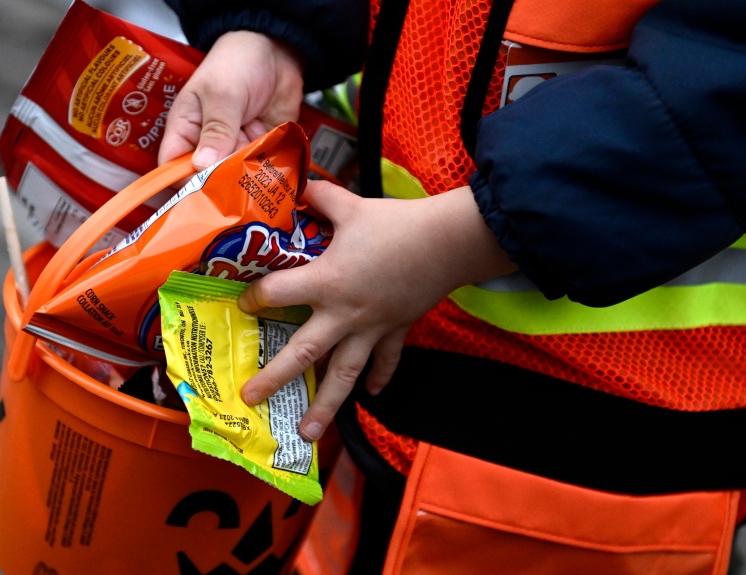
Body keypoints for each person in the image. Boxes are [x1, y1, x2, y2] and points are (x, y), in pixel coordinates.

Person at [159, 0, 746, 572]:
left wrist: (458, 238)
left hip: (609, 458)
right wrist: (271, 28)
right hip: (394, 393)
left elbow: (722, 89)